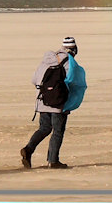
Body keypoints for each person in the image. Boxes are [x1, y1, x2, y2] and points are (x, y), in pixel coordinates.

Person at [21, 36, 80, 169]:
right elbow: (73, 82)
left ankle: (28, 149)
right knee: (58, 131)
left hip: (42, 100)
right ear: (74, 49)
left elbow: (34, 79)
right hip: (58, 102)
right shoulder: (69, 62)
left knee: (44, 128)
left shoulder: (46, 60)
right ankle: (53, 161)